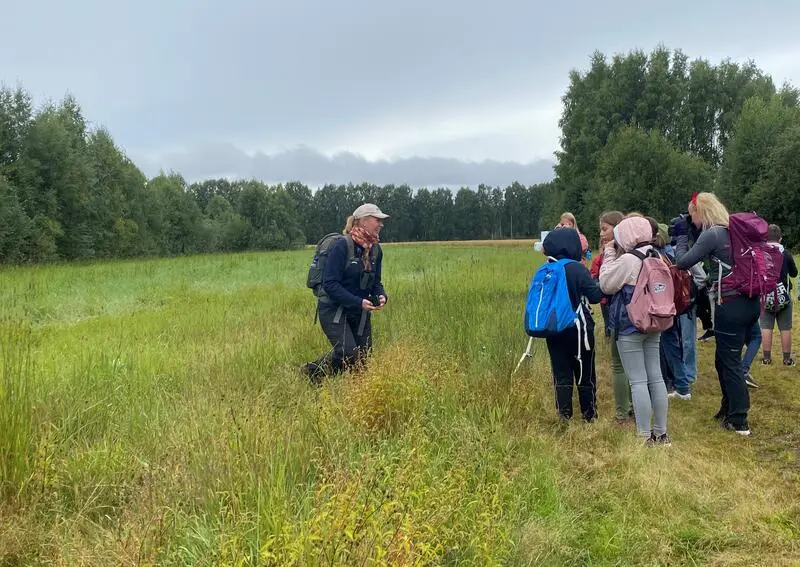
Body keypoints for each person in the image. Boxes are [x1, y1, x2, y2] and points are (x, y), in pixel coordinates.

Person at [672, 192, 758, 436]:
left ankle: (739, 420)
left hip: (730, 305)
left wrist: (680, 236)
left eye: (693, 216)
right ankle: (728, 408)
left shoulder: (713, 234)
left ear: (701, 211)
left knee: (729, 362)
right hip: (749, 303)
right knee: (722, 359)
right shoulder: (732, 230)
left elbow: (682, 262)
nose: (693, 221)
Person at [599, 216, 671, 446]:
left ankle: (643, 435)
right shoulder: (659, 255)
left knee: (638, 381)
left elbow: (606, 284)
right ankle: (661, 433)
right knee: (656, 377)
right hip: (655, 321)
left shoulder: (630, 260)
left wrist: (609, 253)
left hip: (630, 325)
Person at [301, 203, 389, 384]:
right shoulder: (341, 246)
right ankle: (313, 372)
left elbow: (376, 282)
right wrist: (359, 302)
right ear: (363, 221)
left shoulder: (375, 250)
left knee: (363, 357)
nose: (381, 224)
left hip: (359, 311)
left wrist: (381, 295)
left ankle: (316, 374)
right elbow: (330, 284)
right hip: (333, 309)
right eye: (377, 220)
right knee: (349, 353)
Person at [541, 227, 604, 422]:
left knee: (561, 374)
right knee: (585, 372)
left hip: (553, 329)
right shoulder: (577, 268)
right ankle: (589, 415)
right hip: (579, 328)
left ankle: (564, 415)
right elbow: (594, 296)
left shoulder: (546, 269)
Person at [591, 211, 634, 424]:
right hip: (635, 314)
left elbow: (606, 284)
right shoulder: (633, 252)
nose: (601, 234)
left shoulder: (617, 255)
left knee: (619, 365)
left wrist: (607, 254)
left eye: (605, 229)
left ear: (617, 229)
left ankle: (621, 414)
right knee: (635, 366)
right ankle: (635, 407)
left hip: (622, 315)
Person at [760, 223, 798, 367]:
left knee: (766, 327)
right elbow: (794, 273)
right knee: (785, 328)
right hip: (784, 296)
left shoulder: (761, 253)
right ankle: (787, 359)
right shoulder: (786, 254)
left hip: (765, 295)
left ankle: (766, 358)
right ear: (780, 239)